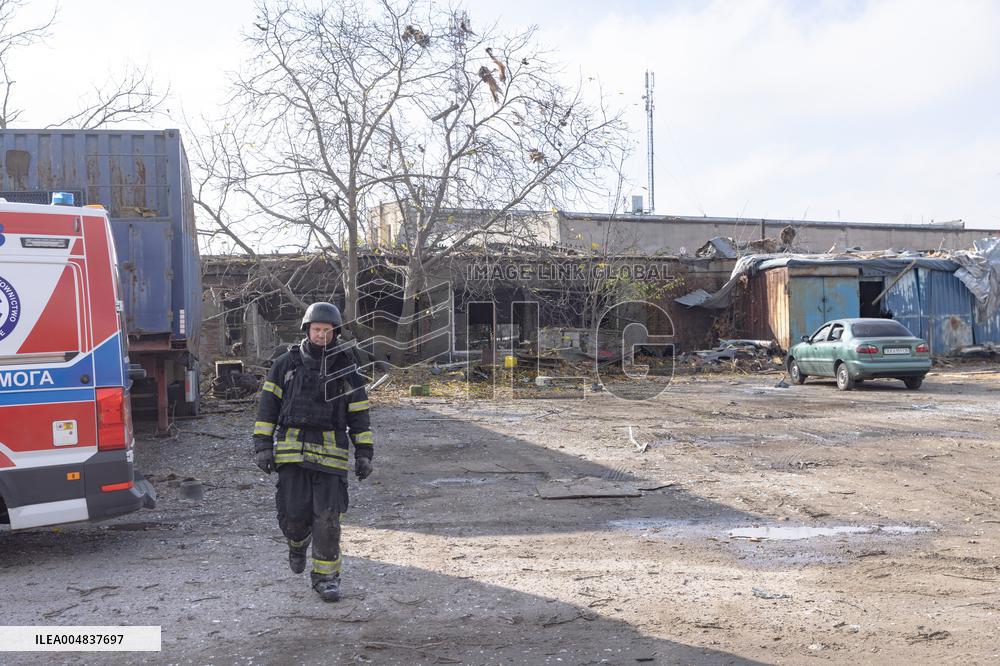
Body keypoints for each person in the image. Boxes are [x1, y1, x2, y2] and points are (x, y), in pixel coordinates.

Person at [251, 302, 374, 602]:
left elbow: (359, 413)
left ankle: (326, 578)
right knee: (294, 514)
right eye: (317, 329)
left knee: (328, 519)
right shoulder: (285, 365)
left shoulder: (347, 369)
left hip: (331, 456)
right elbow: (268, 407)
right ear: (307, 330)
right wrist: (263, 446)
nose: (321, 335)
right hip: (292, 454)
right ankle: (297, 541)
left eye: (327, 330)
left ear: (335, 333)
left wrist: (364, 452)